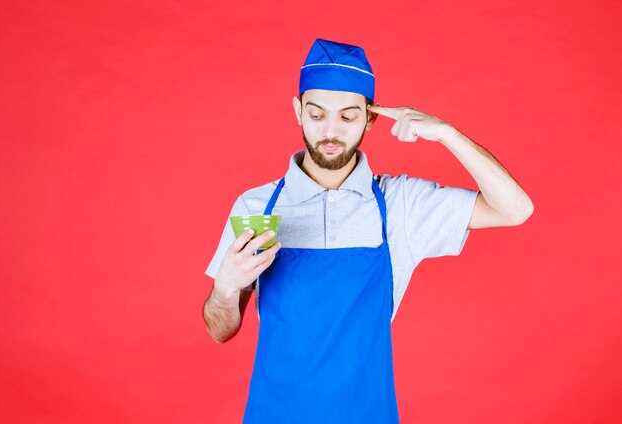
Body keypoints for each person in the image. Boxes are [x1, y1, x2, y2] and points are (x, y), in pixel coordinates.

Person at [203, 38, 533, 423]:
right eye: (316, 114)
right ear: (297, 111)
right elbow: (219, 331)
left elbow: (516, 209)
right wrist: (225, 287)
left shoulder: (402, 205)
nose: (331, 131)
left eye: (347, 116)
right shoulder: (258, 207)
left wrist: (447, 133)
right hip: (273, 413)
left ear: (370, 118)